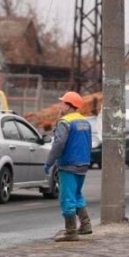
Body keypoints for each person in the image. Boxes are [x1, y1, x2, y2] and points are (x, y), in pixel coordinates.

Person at [44, 91, 92, 242]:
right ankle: (85, 225)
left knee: (67, 198)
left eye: (63, 102)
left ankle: (71, 232)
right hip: (83, 164)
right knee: (77, 194)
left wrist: (50, 162)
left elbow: (58, 143)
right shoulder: (85, 122)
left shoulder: (65, 122)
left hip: (68, 164)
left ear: (69, 105)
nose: (60, 105)